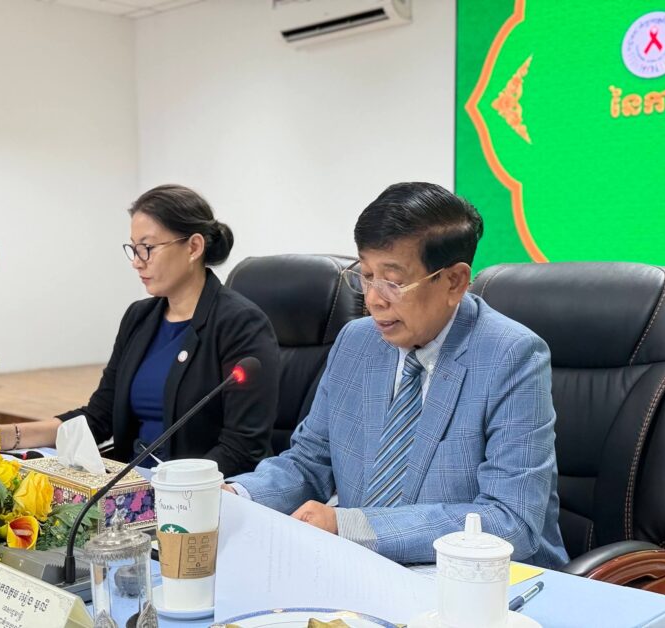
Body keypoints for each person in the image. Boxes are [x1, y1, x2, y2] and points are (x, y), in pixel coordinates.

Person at [226, 182, 568, 568]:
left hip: (487, 581)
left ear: (454, 281)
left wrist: (351, 527)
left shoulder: (512, 356)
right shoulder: (356, 342)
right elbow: (310, 462)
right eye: (366, 275)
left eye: (394, 281)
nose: (373, 299)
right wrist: (235, 497)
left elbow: (511, 521)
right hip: (365, 572)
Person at [0, 184, 279, 476]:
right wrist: (3, 434)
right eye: (133, 249)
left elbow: (242, 448)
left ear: (194, 247)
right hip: (130, 485)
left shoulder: (240, 324)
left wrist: (169, 489)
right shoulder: (139, 318)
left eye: (148, 248)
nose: (137, 262)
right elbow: (99, 418)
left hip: (199, 495)